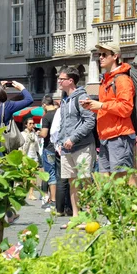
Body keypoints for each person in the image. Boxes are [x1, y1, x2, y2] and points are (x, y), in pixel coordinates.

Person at [80, 42, 135, 177]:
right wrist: (93, 107)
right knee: (105, 180)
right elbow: (108, 108)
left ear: (115, 56)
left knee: (120, 180)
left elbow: (126, 108)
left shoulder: (122, 79)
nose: (100, 57)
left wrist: (101, 105)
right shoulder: (105, 80)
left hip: (119, 136)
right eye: (99, 55)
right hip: (105, 136)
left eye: (104, 54)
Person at [0, 79, 32, 225]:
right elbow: (29, 99)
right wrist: (21, 87)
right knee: (1, 184)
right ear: (0, 92)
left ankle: (9, 214)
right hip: (3, 152)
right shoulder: (7, 107)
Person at [55, 67, 97, 227]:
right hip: (66, 148)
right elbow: (64, 124)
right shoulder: (64, 99)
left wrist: (73, 138)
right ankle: (76, 217)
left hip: (82, 146)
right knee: (72, 182)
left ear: (70, 80)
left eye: (61, 78)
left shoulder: (81, 97)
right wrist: (60, 141)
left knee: (85, 181)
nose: (59, 81)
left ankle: (88, 217)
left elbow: (90, 121)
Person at [38, 95, 58, 211]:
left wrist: (38, 133)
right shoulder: (59, 113)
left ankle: (53, 200)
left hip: (49, 148)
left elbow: (44, 134)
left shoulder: (46, 117)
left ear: (44, 105)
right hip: (59, 148)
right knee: (59, 173)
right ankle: (60, 200)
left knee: (50, 173)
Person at [21, 118, 39, 200]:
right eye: (30, 123)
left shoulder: (34, 134)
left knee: (33, 176)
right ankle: (23, 192)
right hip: (26, 156)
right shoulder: (22, 134)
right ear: (26, 125)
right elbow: (20, 146)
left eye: (33, 123)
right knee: (25, 176)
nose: (32, 125)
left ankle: (31, 194)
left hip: (34, 156)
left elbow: (37, 146)